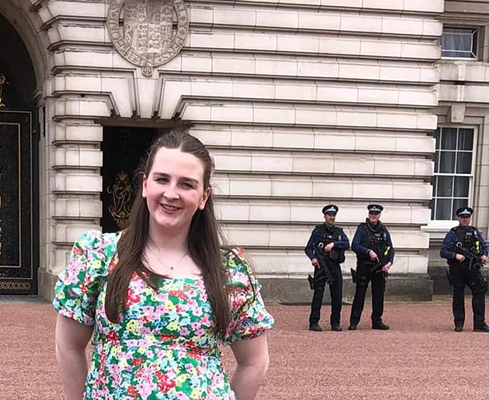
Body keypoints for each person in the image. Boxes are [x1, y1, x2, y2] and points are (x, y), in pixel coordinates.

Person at [53, 131, 274, 400]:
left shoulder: (229, 269)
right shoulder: (98, 254)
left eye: (186, 184)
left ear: (204, 197)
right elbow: (69, 345)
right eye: (162, 179)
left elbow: (254, 361)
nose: (171, 193)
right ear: (145, 185)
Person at [440, 207, 489, 332]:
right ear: (458, 218)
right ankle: (459, 323)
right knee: (458, 296)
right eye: (462, 217)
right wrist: (455, 255)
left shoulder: (475, 232)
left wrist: (484, 255)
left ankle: (479, 323)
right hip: (458, 269)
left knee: (479, 292)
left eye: (467, 217)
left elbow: (484, 246)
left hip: (473, 269)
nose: (465, 219)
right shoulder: (453, 233)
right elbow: (443, 251)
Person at [348, 204, 394, 331]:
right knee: (360, 294)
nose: (373, 216)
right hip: (365, 266)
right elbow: (355, 245)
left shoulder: (383, 230)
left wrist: (389, 263)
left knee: (379, 295)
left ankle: (377, 320)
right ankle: (354, 321)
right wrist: (368, 252)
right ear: (369, 215)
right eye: (372, 214)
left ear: (379, 215)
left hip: (379, 267)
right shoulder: (362, 229)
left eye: (376, 214)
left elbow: (390, 248)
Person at [305, 204, 350, 331]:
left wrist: (334, 244)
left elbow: (347, 244)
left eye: (333, 215)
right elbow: (308, 248)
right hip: (321, 265)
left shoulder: (339, 232)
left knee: (337, 295)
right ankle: (314, 322)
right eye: (329, 215)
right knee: (318, 294)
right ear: (325, 216)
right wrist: (313, 258)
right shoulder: (318, 231)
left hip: (334, 266)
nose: (331, 217)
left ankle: (335, 323)